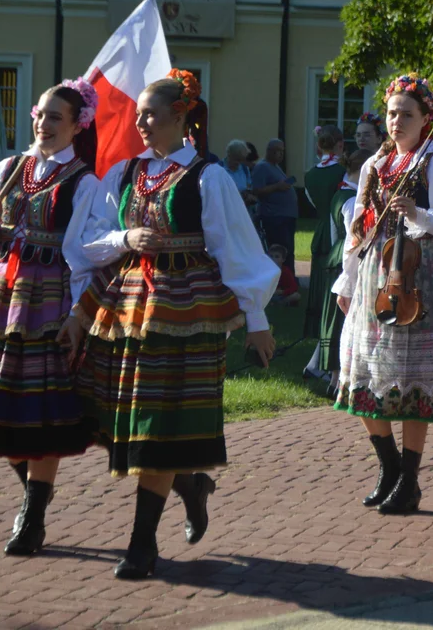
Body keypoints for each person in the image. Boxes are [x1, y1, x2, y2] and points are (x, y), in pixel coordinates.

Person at [62, 69, 279, 579]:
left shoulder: (209, 176)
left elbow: (236, 250)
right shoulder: (124, 173)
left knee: (157, 426)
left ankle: (141, 545)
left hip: (188, 309)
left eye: (151, 114)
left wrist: (257, 320)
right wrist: (124, 239)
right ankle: (188, 483)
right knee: (131, 423)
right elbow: (89, 240)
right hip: (129, 306)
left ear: (181, 116)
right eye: (138, 114)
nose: (141, 122)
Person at [0, 79, 101, 556]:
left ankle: (33, 515)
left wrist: (79, 313)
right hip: (1, 297)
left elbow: (88, 254)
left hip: (50, 299)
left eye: (54, 116)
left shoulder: (84, 183)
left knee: (41, 408)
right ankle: (35, 492)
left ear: (78, 125)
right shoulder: (9, 168)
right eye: (39, 114)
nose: (42, 123)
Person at [333, 73, 433, 515]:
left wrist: (419, 212)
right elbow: (359, 232)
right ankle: (388, 466)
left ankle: (409, 480)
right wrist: (347, 281)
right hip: (376, 273)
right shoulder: (374, 164)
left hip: (420, 276)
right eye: (392, 114)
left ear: (425, 118)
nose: (396, 122)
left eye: (406, 114)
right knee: (362, 374)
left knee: (412, 383)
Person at [318, 142, 375, 392]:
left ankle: (333, 376)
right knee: (341, 320)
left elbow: (335, 232)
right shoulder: (352, 201)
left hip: (336, 254)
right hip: (348, 259)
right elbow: (357, 235)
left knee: (334, 319)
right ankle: (336, 376)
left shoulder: (340, 194)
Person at [304, 126, 348, 341]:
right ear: (339, 144)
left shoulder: (310, 174)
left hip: (320, 230)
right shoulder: (342, 171)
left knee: (321, 283)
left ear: (318, 145)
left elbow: (312, 202)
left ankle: (320, 332)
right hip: (339, 231)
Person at [252, 138, 298, 273]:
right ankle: (280, 279)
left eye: (282, 151)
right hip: (274, 216)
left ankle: (289, 279)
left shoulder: (276, 167)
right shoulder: (262, 167)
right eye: (278, 151)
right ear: (270, 151)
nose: (281, 155)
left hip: (286, 215)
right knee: (280, 249)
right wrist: (277, 186)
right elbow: (257, 190)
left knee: (288, 250)